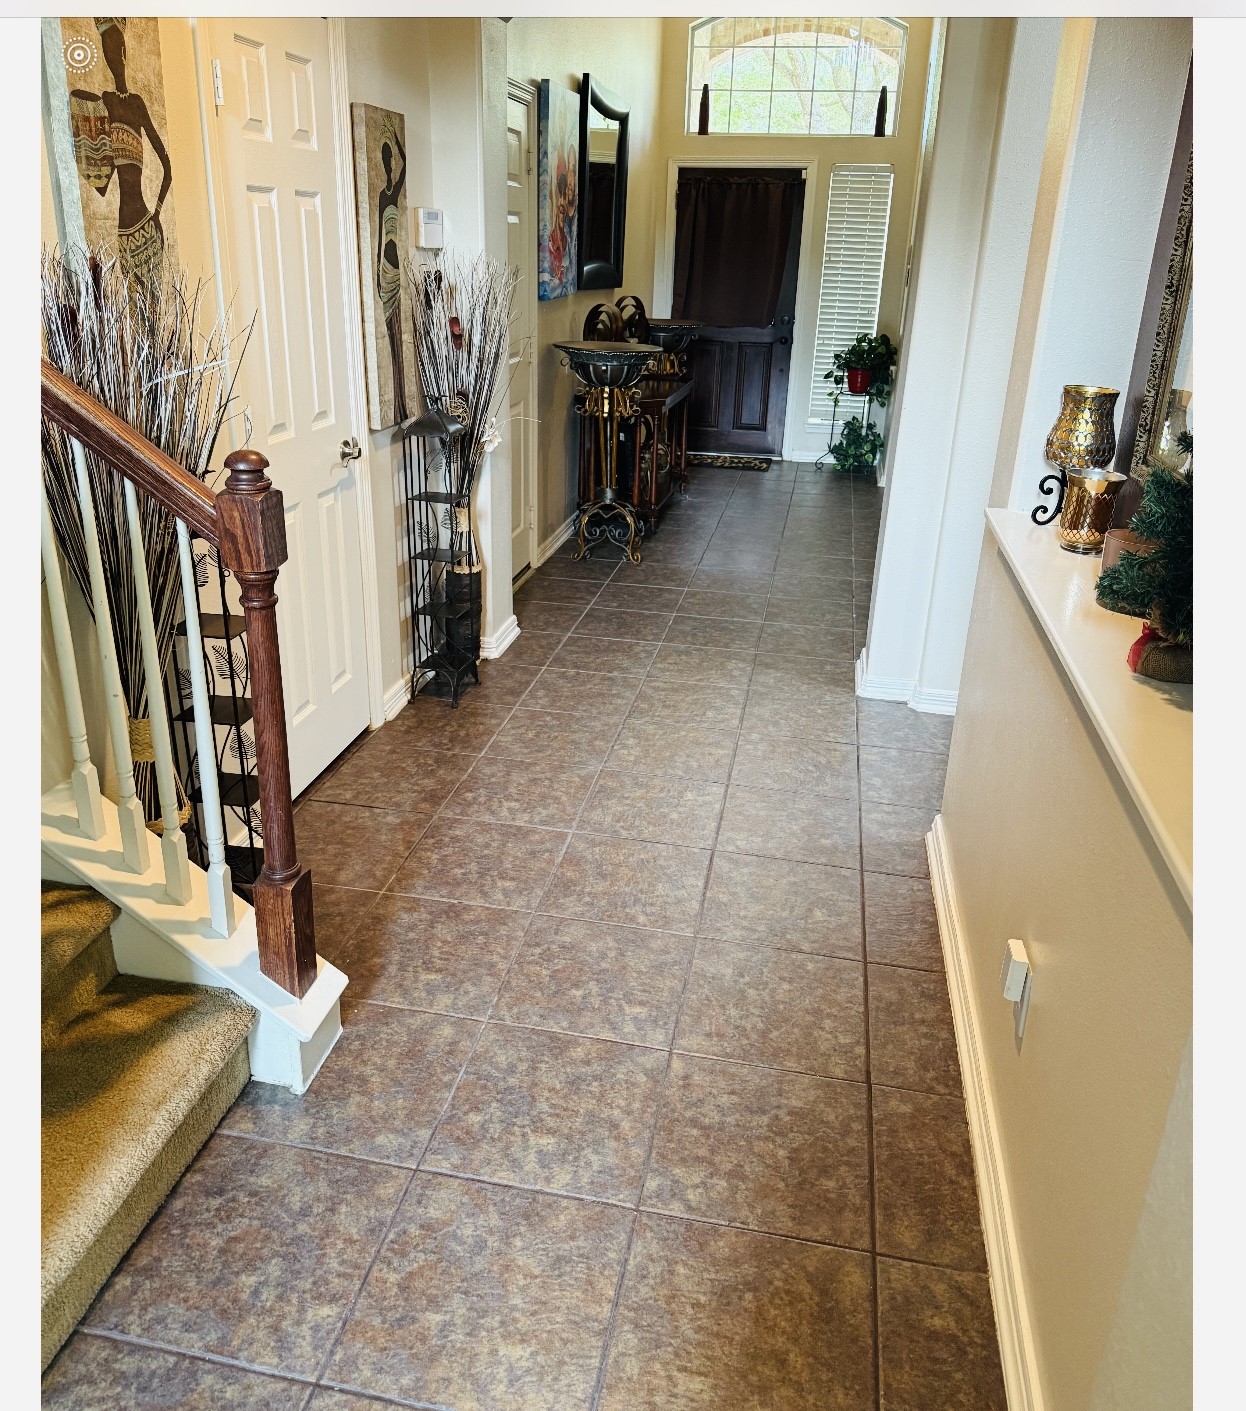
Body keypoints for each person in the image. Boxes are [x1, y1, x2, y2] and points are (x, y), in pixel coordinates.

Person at [69, 17, 172, 306]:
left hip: (147, 226)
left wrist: (158, 214)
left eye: (115, 46)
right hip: (124, 232)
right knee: (132, 311)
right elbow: (103, 180)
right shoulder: (105, 102)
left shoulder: (137, 103)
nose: (111, 54)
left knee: (155, 308)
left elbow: (167, 167)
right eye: (106, 48)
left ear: (124, 51)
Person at [375, 124, 408, 423]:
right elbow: (378, 241)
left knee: (399, 334)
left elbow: (405, 166)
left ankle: (401, 401)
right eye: (385, 160)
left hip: (397, 272)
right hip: (385, 272)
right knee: (389, 334)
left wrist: (396, 138)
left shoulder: (394, 192)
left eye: (390, 160)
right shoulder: (382, 199)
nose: (388, 164)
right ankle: (396, 401)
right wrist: (377, 273)